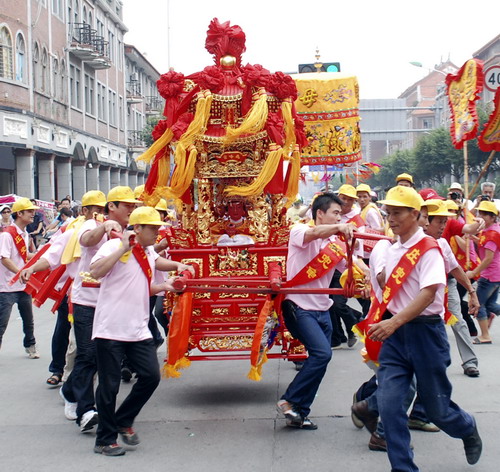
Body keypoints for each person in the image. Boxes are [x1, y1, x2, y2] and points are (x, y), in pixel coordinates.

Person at [367, 186, 482, 471]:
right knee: (390, 406)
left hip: (425, 334)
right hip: (396, 336)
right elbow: (386, 285)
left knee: (437, 409)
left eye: (397, 213)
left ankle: (466, 427)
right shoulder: (391, 249)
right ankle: (403, 468)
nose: (390, 218)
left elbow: (428, 293)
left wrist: (393, 321)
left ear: (416, 215)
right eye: (388, 212)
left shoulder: (430, 250)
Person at [90, 206, 191, 456]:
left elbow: (154, 270)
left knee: (150, 377)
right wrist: (123, 248)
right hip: (111, 329)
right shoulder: (113, 246)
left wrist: (176, 270)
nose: (158, 232)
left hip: (138, 329)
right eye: (153, 228)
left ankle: (123, 419)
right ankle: (104, 440)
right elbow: (95, 272)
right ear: (137, 228)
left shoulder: (146, 251)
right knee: (109, 386)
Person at [59, 186, 134, 433]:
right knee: (88, 354)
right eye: (127, 205)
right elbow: (86, 241)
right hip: (86, 302)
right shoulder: (91, 225)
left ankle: (70, 389)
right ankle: (86, 410)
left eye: (133, 206)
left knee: (104, 357)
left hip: (111, 303)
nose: (131, 209)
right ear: (111, 207)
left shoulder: (130, 230)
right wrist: (105, 227)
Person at [277, 192, 355, 430]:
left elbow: (351, 264)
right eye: (335, 213)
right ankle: (289, 400)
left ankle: (300, 412)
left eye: (340, 215)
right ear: (319, 213)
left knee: (319, 361)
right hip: (299, 307)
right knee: (322, 354)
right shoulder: (299, 231)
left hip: (323, 308)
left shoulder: (334, 244)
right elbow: (314, 234)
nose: (338, 218)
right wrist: (339, 228)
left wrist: (369, 275)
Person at [19, 191, 108, 389]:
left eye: (104, 210)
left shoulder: (114, 232)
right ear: (85, 211)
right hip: (79, 296)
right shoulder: (72, 232)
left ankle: (86, 391)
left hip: (108, 300)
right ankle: (66, 380)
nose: (102, 214)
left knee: (104, 350)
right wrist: (31, 268)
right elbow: (52, 256)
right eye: (97, 210)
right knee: (77, 344)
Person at [422, 199, 480, 377]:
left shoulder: (443, 244)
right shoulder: (410, 244)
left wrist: (472, 292)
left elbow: (456, 269)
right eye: (439, 222)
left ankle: (470, 361)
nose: (443, 227)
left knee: (458, 321)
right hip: (421, 295)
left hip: (447, 286)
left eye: (445, 222)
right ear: (425, 221)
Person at [0, 198, 39, 357]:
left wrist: (39, 256)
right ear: (19, 213)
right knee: (1, 324)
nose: (33, 214)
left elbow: (23, 255)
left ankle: (30, 346)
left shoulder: (24, 233)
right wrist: (19, 273)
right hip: (7, 287)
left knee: (28, 320)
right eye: (29, 211)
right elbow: (4, 258)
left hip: (23, 286)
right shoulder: (7, 235)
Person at [329, 184, 366, 346]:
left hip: (347, 265)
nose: (346, 203)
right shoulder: (332, 214)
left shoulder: (357, 220)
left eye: (350, 200)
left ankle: (354, 322)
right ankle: (338, 337)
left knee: (338, 303)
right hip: (329, 263)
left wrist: (348, 239)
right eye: (343, 199)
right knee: (329, 303)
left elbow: (359, 246)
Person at [466, 201, 500, 344]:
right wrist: (474, 239)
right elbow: (485, 244)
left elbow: (488, 258)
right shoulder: (489, 230)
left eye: (486, 214)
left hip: (490, 275)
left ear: (493, 217)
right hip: (495, 274)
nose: (482, 216)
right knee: (491, 305)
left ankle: (485, 336)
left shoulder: (492, 233)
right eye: (481, 213)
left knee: (478, 304)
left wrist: (474, 272)